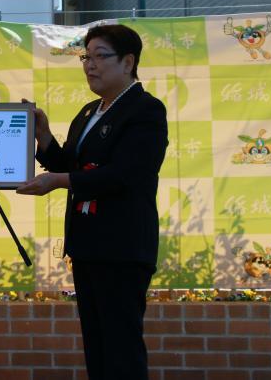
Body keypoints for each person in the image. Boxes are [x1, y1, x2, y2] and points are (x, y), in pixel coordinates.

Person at [17, 24, 168, 379]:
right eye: (87, 57)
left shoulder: (145, 110)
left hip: (122, 246)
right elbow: (68, 164)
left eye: (101, 56)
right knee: (97, 344)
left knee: (121, 346)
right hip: (87, 246)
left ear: (128, 62)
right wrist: (43, 136)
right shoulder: (89, 111)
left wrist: (57, 182)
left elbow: (124, 174)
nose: (90, 65)